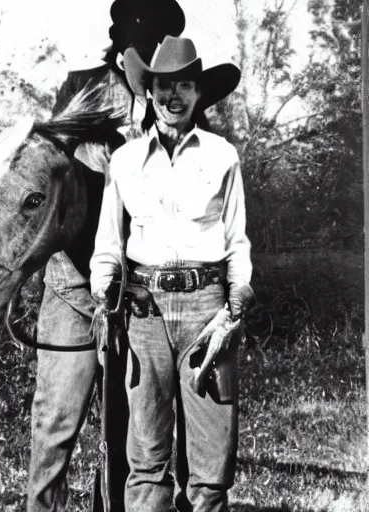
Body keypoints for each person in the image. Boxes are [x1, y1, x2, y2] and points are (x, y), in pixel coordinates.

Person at [27, 3, 186, 511]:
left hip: (140, 294)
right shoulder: (82, 86)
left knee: (130, 423)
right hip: (73, 285)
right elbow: (58, 183)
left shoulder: (173, 98)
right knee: (56, 420)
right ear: (123, 46)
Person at [90, 36, 255, 512]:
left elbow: (236, 240)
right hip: (144, 313)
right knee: (146, 458)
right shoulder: (123, 163)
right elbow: (108, 247)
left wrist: (236, 299)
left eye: (184, 85)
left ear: (199, 94)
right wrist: (108, 298)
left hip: (208, 311)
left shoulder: (223, 155)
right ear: (149, 92)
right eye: (164, 86)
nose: (173, 97)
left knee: (210, 467)